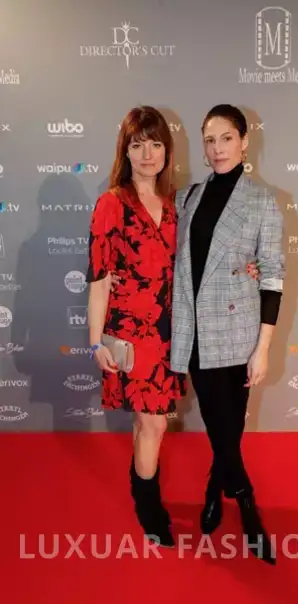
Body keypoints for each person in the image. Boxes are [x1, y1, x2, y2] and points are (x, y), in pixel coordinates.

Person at [170, 104, 285, 564]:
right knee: (221, 425)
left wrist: (263, 348)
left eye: (226, 138)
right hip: (196, 333)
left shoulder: (262, 201)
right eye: (209, 139)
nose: (217, 148)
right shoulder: (187, 198)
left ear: (244, 141)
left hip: (238, 333)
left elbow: (272, 274)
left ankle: (220, 493)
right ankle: (244, 502)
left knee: (229, 426)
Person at [86, 106, 186, 548]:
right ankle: (148, 504)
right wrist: (95, 342)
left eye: (156, 144)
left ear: (167, 149)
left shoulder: (177, 204)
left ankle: (138, 477)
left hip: (169, 333)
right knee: (155, 424)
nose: (148, 154)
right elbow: (98, 280)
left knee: (150, 422)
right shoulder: (112, 204)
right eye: (138, 144)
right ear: (125, 151)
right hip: (130, 332)